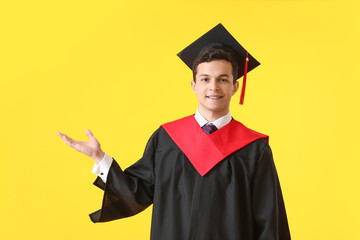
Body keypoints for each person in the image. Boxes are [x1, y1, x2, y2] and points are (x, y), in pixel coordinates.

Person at [57, 23, 291, 240]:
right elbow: (136, 194)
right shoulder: (167, 138)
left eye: (222, 79)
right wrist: (99, 157)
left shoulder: (253, 148)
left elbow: (270, 220)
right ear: (194, 85)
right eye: (205, 78)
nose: (213, 87)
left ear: (235, 86)